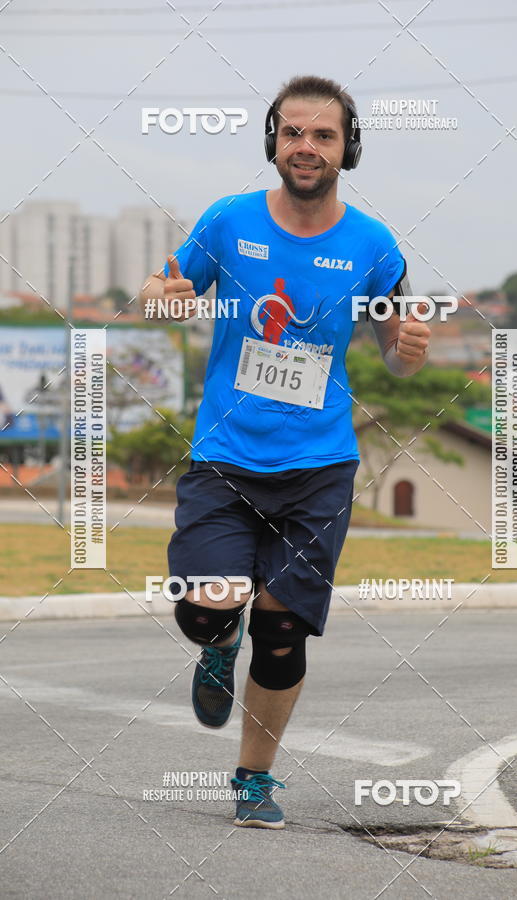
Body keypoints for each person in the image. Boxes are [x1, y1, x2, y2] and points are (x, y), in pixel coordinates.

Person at [139, 74, 431, 830]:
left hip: (320, 465)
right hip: (225, 455)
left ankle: (253, 779)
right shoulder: (229, 221)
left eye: (323, 135)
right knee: (208, 608)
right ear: (274, 139)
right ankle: (215, 639)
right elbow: (166, 289)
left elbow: (398, 355)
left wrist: (408, 348)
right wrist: (160, 297)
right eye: (293, 132)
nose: (306, 146)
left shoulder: (372, 244)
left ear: (347, 148)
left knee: (281, 631)